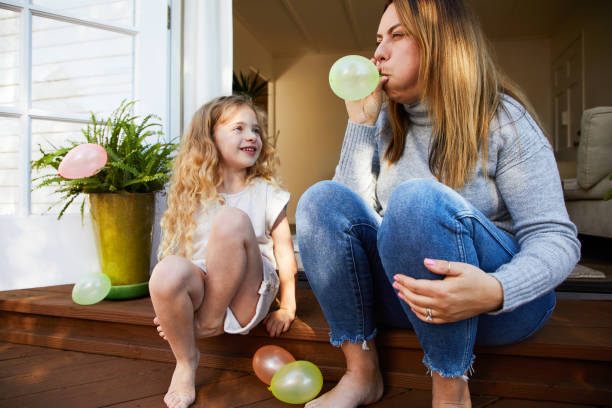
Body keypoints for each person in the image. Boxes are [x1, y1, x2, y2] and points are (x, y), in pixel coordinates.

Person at [296, 0, 580, 407]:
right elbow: (346, 225)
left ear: (442, 44)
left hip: (498, 309)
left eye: (396, 35)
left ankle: (451, 391)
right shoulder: (383, 121)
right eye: (378, 39)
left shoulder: (503, 119)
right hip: (410, 304)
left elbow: (556, 238)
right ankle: (361, 374)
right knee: (320, 198)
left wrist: (496, 289)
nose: (377, 52)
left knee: (416, 199)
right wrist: (358, 126)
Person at [150, 95, 297, 408]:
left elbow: (285, 252)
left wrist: (288, 306)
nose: (251, 136)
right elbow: (183, 262)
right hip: (206, 287)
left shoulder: (266, 192)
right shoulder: (193, 194)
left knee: (230, 220)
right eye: (239, 128)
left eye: (255, 130)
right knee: (166, 270)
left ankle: (210, 321)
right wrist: (171, 311)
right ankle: (186, 361)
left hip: (248, 293)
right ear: (209, 140)